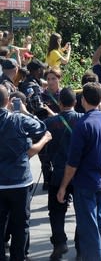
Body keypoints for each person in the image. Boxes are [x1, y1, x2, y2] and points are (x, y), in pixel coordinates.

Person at [57, 82, 101, 261]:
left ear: (82, 100)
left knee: (89, 229)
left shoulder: (82, 124)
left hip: (85, 184)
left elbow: (73, 162)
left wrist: (63, 187)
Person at [0, 85, 51, 261]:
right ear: (7, 102)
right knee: (21, 225)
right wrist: (24, 111)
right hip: (19, 181)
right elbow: (41, 127)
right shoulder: (19, 119)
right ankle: (18, 257)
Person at [43, 88, 83, 260]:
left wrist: (47, 163)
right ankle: (80, 247)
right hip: (80, 173)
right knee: (82, 211)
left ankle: (59, 242)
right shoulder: (82, 119)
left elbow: (43, 146)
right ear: (75, 103)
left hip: (59, 172)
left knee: (56, 211)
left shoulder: (49, 122)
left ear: (60, 103)